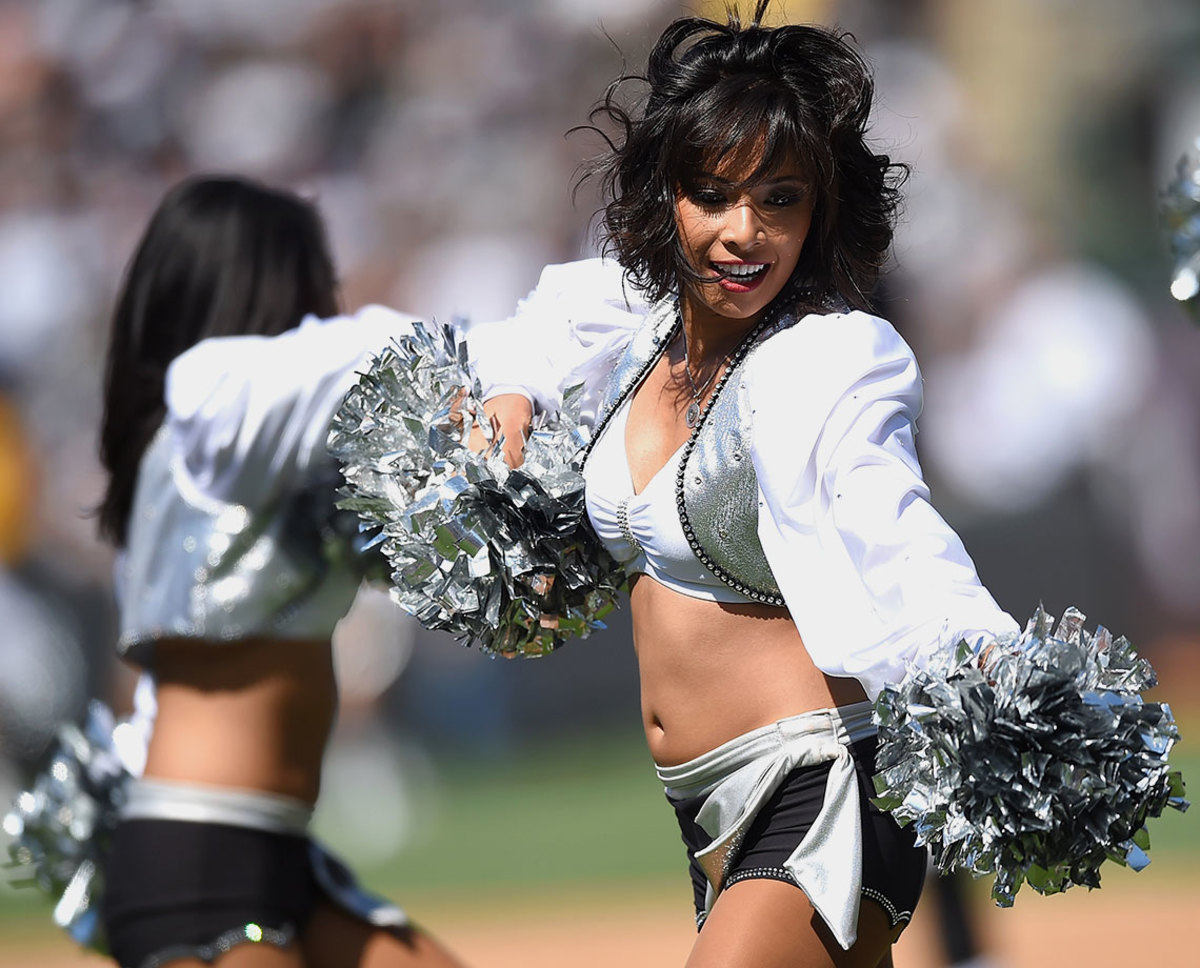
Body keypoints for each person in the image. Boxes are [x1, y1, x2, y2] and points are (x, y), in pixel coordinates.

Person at [465, 4, 1020, 967]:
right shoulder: (635, 330)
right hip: (708, 813)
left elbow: (897, 529)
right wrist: (511, 388)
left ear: (823, 209)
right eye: (713, 193)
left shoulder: (834, 360)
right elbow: (546, 312)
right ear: (665, 196)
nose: (744, 232)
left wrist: (990, 668)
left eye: (782, 199)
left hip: (827, 778)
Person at [95, 175, 467, 968]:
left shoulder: (257, 458)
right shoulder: (207, 446)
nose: (324, 301)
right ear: (264, 288)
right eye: (312, 279)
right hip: (201, 861)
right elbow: (351, 350)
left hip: (283, 856)